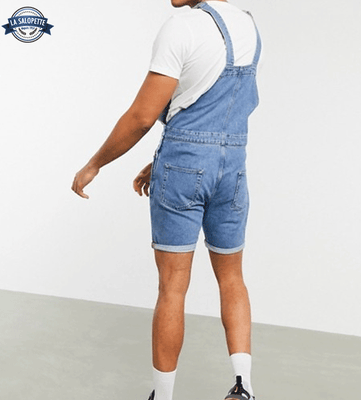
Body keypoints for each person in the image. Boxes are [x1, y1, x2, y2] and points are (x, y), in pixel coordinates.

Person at [71, 1, 262, 400]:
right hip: (234, 166)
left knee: (173, 287)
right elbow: (213, 109)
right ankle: (242, 386)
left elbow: (143, 116)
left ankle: (162, 395)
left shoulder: (183, 26)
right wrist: (163, 159)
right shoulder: (248, 25)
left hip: (184, 165)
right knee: (232, 277)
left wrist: (95, 164)